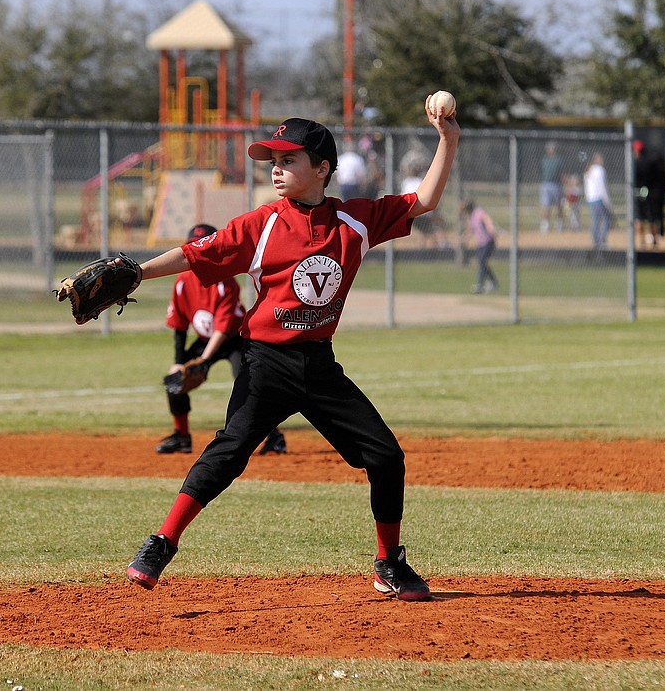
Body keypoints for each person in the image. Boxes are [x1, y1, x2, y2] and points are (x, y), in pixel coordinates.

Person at [124, 103, 460, 603]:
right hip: (265, 363)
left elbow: (425, 200)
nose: (277, 168)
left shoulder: (356, 220)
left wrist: (447, 138)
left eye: (290, 159)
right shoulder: (261, 224)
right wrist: (133, 272)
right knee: (229, 451)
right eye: (273, 160)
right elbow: (195, 255)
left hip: (319, 364)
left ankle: (389, 562)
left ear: (323, 168)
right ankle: (160, 543)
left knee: (386, 456)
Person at [156, 223, 287, 456]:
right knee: (175, 379)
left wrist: (204, 361)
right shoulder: (183, 282)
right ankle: (182, 436)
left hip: (236, 339)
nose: (200, 255)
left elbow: (222, 329)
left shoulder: (225, 283)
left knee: (248, 383)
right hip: (207, 340)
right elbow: (179, 325)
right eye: (193, 249)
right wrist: (178, 361)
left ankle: (274, 437)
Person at [633, 139, 665, 246]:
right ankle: (651, 240)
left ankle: (644, 240)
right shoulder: (649, 161)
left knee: (641, 217)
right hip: (648, 192)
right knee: (649, 217)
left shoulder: (638, 163)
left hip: (643, 192)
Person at [461, 200, 498, 294]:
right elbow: (471, 229)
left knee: (482, 260)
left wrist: (491, 227)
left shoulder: (478, 212)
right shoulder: (471, 217)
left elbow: (487, 219)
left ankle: (480, 285)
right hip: (481, 244)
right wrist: (465, 238)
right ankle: (493, 282)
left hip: (488, 241)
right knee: (482, 262)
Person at [583, 152, 611, 253]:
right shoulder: (600, 170)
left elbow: (586, 186)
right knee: (606, 219)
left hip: (591, 198)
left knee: (595, 220)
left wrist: (588, 197)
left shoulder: (588, 170)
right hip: (599, 198)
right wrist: (607, 201)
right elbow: (603, 186)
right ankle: (602, 240)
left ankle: (595, 240)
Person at [540, 142, 564, 232]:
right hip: (550, 184)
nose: (551, 150)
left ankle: (558, 224)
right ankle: (547, 225)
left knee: (559, 205)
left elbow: (560, 174)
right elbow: (561, 174)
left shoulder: (553, 160)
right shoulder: (547, 160)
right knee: (547, 205)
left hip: (552, 184)